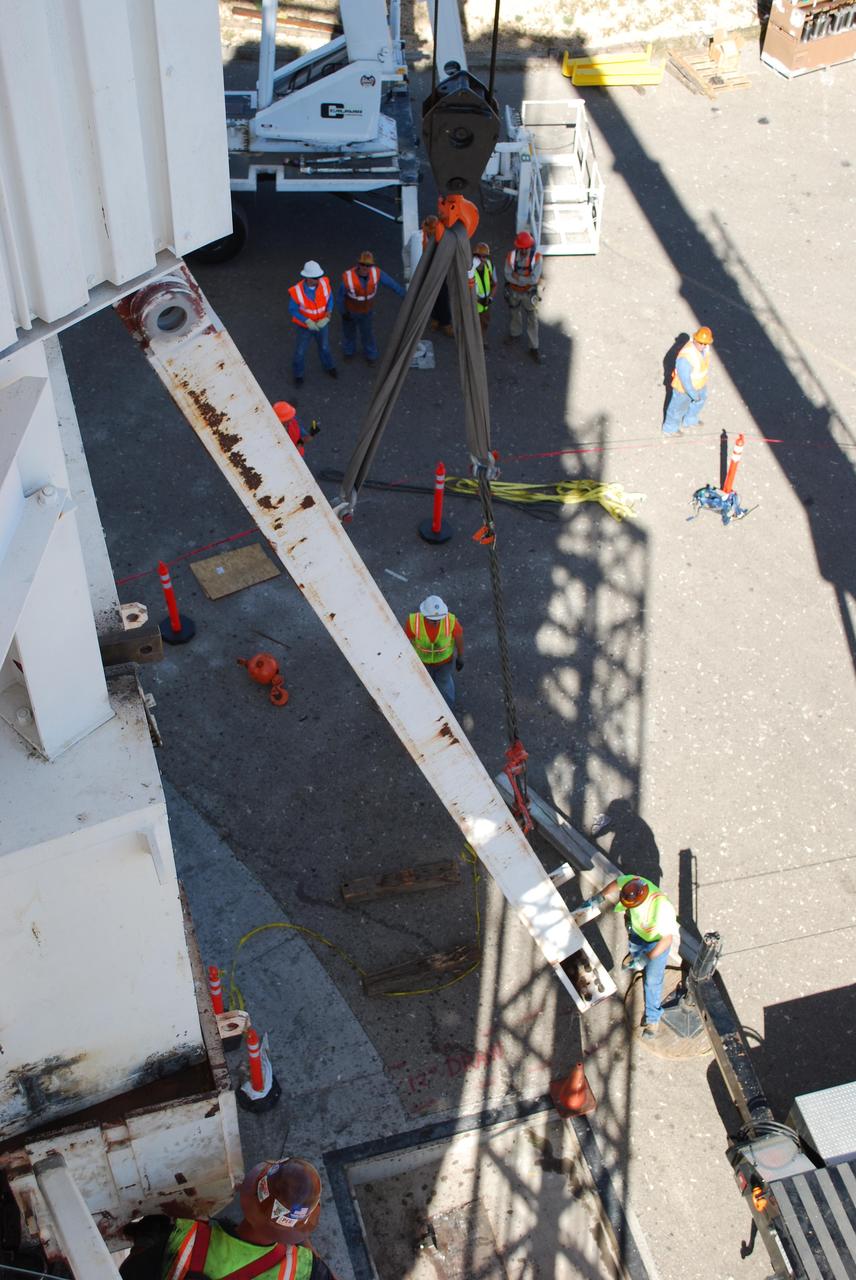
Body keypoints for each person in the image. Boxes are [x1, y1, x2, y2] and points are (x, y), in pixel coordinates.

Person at [120, 1157, 339, 1279]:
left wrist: (146, 1235)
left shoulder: (180, 1236)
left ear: (250, 1193)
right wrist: (298, 1236)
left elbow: (124, 1274)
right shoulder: (302, 1269)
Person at [575, 875, 678, 1039]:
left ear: (641, 902)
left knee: (652, 981)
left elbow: (667, 940)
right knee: (635, 947)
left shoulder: (662, 909)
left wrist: (646, 958)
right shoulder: (633, 882)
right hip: (638, 932)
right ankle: (636, 957)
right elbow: (617, 883)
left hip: (656, 943)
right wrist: (599, 896)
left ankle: (652, 1018)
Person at [337, 250, 405, 365]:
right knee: (349, 334)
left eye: (368, 265)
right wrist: (343, 312)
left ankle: (371, 355)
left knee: (367, 334)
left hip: (366, 312)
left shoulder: (376, 273)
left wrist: (406, 295)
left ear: (371, 266)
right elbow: (340, 297)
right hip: (350, 312)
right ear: (358, 264)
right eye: (363, 264)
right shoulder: (348, 279)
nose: (365, 267)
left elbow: (392, 284)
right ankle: (349, 352)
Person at [404, 595, 463, 709]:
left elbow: (459, 638)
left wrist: (460, 657)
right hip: (422, 663)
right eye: (433, 620)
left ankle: (447, 710)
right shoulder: (414, 621)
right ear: (424, 615)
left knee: (444, 685)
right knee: (424, 685)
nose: (436, 623)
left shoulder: (450, 620)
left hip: (444, 662)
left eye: (438, 620)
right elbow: (405, 641)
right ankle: (427, 708)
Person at [289, 261, 336, 388]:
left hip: (322, 324)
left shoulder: (324, 283)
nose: (318, 280)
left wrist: (328, 313)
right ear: (307, 278)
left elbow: (330, 298)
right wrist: (307, 321)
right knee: (300, 352)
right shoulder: (297, 291)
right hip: (305, 328)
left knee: (325, 347)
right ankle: (298, 375)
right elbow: (292, 310)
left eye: (319, 277)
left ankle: (329, 367)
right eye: (315, 278)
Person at [662, 326, 713, 440]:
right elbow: (685, 381)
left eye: (705, 343)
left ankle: (690, 420)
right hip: (683, 389)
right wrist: (693, 394)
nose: (703, 346)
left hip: (699, 384)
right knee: (677, 409)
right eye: (701, 343)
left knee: (699, 402)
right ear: (695, 339)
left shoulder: (705, 349)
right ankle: (669, 429)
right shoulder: (686, 357)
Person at [503, 230, 544, 364]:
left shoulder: (537, 258)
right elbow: (507, 275)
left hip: (528, 292)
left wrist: (518, 278)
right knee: (514, 312)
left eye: (527, 248)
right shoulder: (511, 257)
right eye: (522, 248)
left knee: (532, 318)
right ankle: (515, 333)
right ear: (518, 247)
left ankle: (534, 347)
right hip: (514, 291)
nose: (524, 250)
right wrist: (525, 280)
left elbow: (534, 279)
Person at [422, 215, 453, 337]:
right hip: (429, 270)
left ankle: (444, 321)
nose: (434, 231)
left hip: (439, 270)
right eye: (433, 229)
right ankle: (438, 319)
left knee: (442, 296)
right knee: (434, 296)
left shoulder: (439, 235)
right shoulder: (420, 238)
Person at [471, 242, 496, 345]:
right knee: (472, 327)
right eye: (479, 256)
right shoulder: (469, 270)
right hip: (472, 307)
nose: (482, 259)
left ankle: (481, 341)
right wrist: (478, 299)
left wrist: (490, 298)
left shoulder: (489, 266)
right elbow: (465, 290)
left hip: (485, 305)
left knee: (484, 324)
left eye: (484, 256)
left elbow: (495, 284)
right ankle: (472, 346)